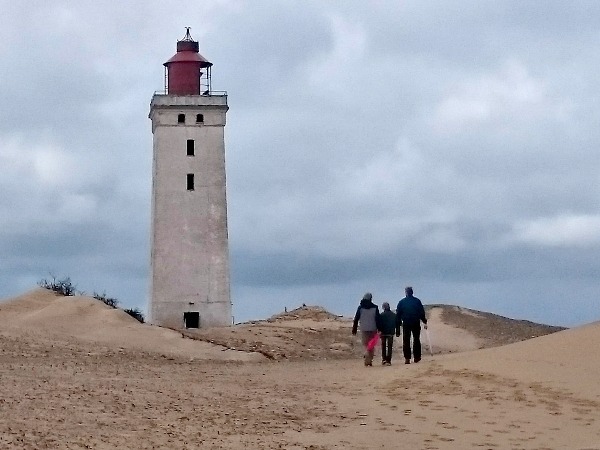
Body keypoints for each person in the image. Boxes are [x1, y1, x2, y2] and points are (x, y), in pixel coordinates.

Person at [396, 286, 427, 364]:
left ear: (406, 293)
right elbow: (421, 312)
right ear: (412, 292)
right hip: (415, 322)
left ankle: (407, 358)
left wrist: (398, 326)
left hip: (406, 323)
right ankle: (417, 357)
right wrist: (424, 321)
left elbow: (398, 315)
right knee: (416, 339)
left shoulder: (401, 302)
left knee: (406, 340)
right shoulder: (417, 301)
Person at [352, 292, 380, 366]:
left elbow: (356, 318)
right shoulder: (375, 307)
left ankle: (367, 356)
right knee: (371, 345)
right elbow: (377, 319)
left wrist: (354, 328)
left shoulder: (360, 308)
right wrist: (379, 328)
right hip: (373, 328)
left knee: (365, 344)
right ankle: (369, 360)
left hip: (364, 328)